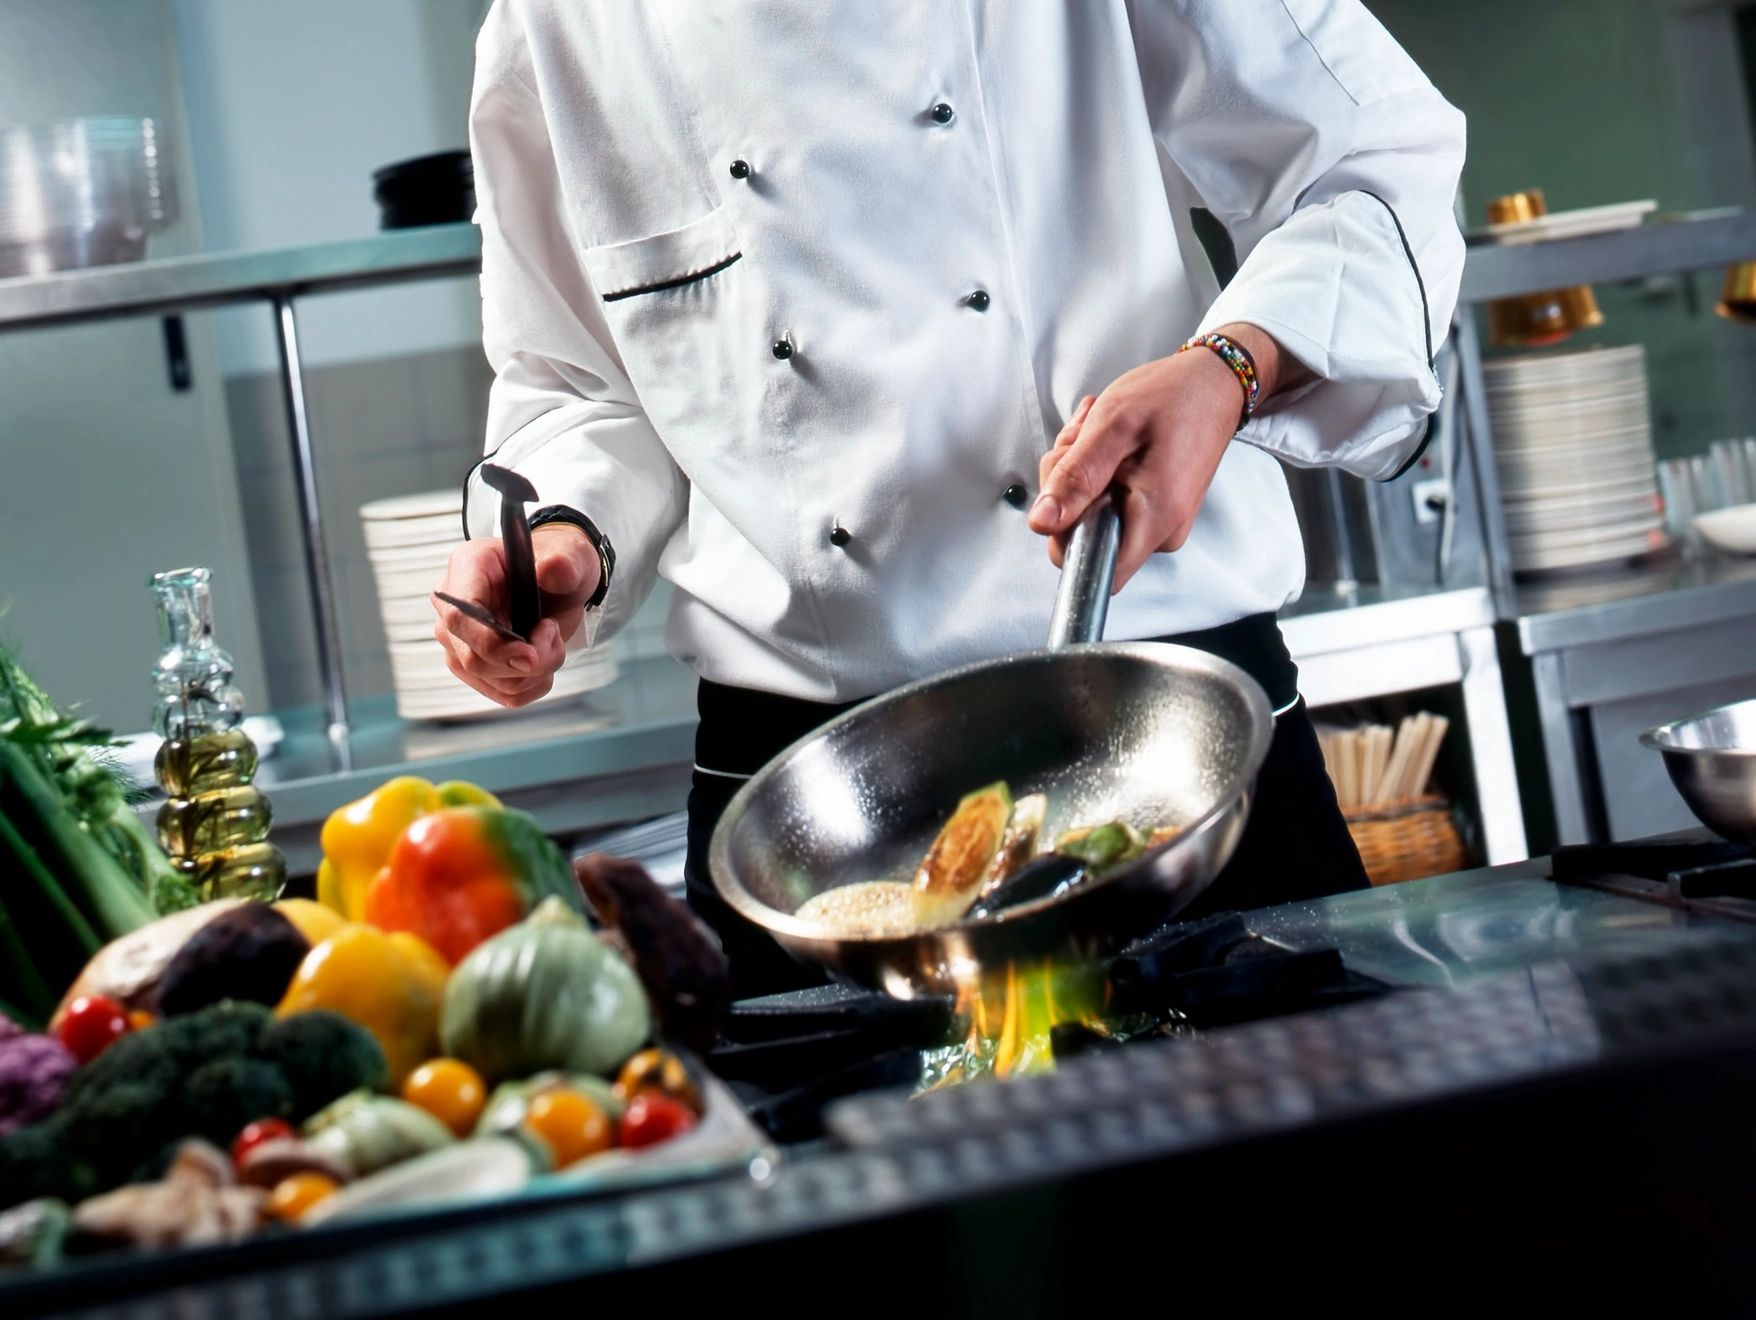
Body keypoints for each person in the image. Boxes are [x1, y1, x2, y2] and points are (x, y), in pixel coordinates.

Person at [434, 0, 1467, 995]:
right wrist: (568, 529)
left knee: (1299, 1161)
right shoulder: (561, 18)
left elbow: (1372, 165)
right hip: (813, 794)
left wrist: (1226, 369)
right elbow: (576, 379)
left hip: (1154, 718)